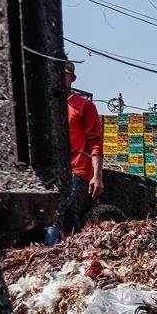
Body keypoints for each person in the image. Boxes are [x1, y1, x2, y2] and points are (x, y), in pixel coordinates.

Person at [47, 60, 103, 246]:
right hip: (54, 170)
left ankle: (47, 258)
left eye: (62, 74)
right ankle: (79, 252)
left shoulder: (84, 106)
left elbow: (95, 142)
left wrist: (97, 176)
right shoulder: (48, 105)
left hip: (77, 170)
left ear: (72, 78)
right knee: (69, 216)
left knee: (56, 210)